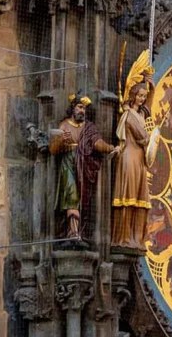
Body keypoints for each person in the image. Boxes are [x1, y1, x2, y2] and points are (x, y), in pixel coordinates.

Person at [49, 92, 116, 241]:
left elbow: (97, 143)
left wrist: (111, 147)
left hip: (84, 167)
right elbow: (53, 149)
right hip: (68, 164)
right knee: (71, 196)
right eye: (80, 107)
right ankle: (72, 233)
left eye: (84, 108)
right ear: (73, 108)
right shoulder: (64, 124)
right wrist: (60, 141)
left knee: (82, 200)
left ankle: (78, 231)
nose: (82, 111)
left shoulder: (89, 127)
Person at [112, 53, 155, 252]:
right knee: (128, 197)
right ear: (132, 95)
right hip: (130, 157)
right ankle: (124, 236)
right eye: (139, 95)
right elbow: (142, 137)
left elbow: (149, 106)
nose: (142, 99)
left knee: (140, 199)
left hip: (139, 159)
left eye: (143, 96)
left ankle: (137, 238)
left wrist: (150, 85)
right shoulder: (129, 116)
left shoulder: (140, 113)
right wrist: (152, 140)